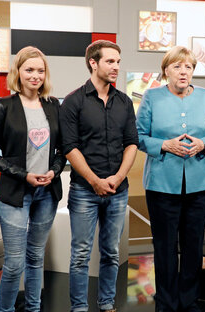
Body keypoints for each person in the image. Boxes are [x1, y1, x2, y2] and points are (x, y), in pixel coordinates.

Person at [136, 46, 205, 312]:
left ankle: (189, 300)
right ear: (166, 71)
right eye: (177, 66)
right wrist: (164, 145)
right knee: (164, 246)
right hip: (161, 183)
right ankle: (166, 301)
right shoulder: (151, 97)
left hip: (198, 183)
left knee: (193, 245)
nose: (183, 71)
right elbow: (138, 137)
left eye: (188, 67)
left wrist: (203, 144)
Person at [59, 40, 138, 312]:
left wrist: (117, 177)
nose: (116, 67)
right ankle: (79, 307)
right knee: (80, 254)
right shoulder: (73, 101)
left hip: (118, 190)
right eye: (110, 61)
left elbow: (131, 143)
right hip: (84, 191)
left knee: (111, 253)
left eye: (118, 61)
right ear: (93, 62)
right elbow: (69, 147)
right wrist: (95, 181)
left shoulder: (125, 102)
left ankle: (106, 304)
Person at [0, 46, 65, 312]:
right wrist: (25, 176)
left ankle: (33, 308)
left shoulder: (54, 105)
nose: (35, 76)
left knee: (36, 258)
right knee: (14, 262)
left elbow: (62, 149)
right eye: (29, 70)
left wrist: (54, 170)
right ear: (18, 72)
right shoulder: (2, 106)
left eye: (40, 71)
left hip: (47, 193)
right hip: (15, 193)